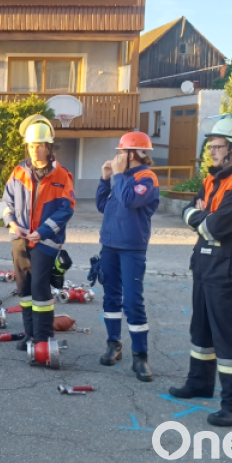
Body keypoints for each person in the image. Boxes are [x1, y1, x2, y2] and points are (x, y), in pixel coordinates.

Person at [169, 114, 232, 427]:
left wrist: (199, 217)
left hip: (227, 270)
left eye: (218, 146)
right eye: (210, 146)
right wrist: (200, 217)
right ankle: (199, 383)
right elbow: (193, 212)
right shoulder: (212, 179)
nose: (211, 151)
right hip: (206, 266)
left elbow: (214, 225)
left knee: (229, 339)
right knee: (202, 331)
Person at [2, 115, 75, 354]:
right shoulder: (18, 172)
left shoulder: (62, 175)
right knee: (24, 289)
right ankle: (29, 333)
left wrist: (42, 232)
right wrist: (12, 224)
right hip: (20, 239)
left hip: (46, 242)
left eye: (40, 146)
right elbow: (7, 202)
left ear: (49, 147)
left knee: (41, 289)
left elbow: (67, 209)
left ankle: (43, 337)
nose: (35, 151)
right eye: (32, 146)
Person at [95, 131, 159, 381]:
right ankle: (114, 344)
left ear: (132, 155)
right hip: (110, 245)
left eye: (121, 152)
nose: (117, 156)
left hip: (132, 247)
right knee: (111, 298)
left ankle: (140, 356)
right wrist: (105, 179)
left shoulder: (147, 178)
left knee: (133, 302)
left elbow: (130, 200)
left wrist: (119, 175)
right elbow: (103, 206)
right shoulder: (123, 177)